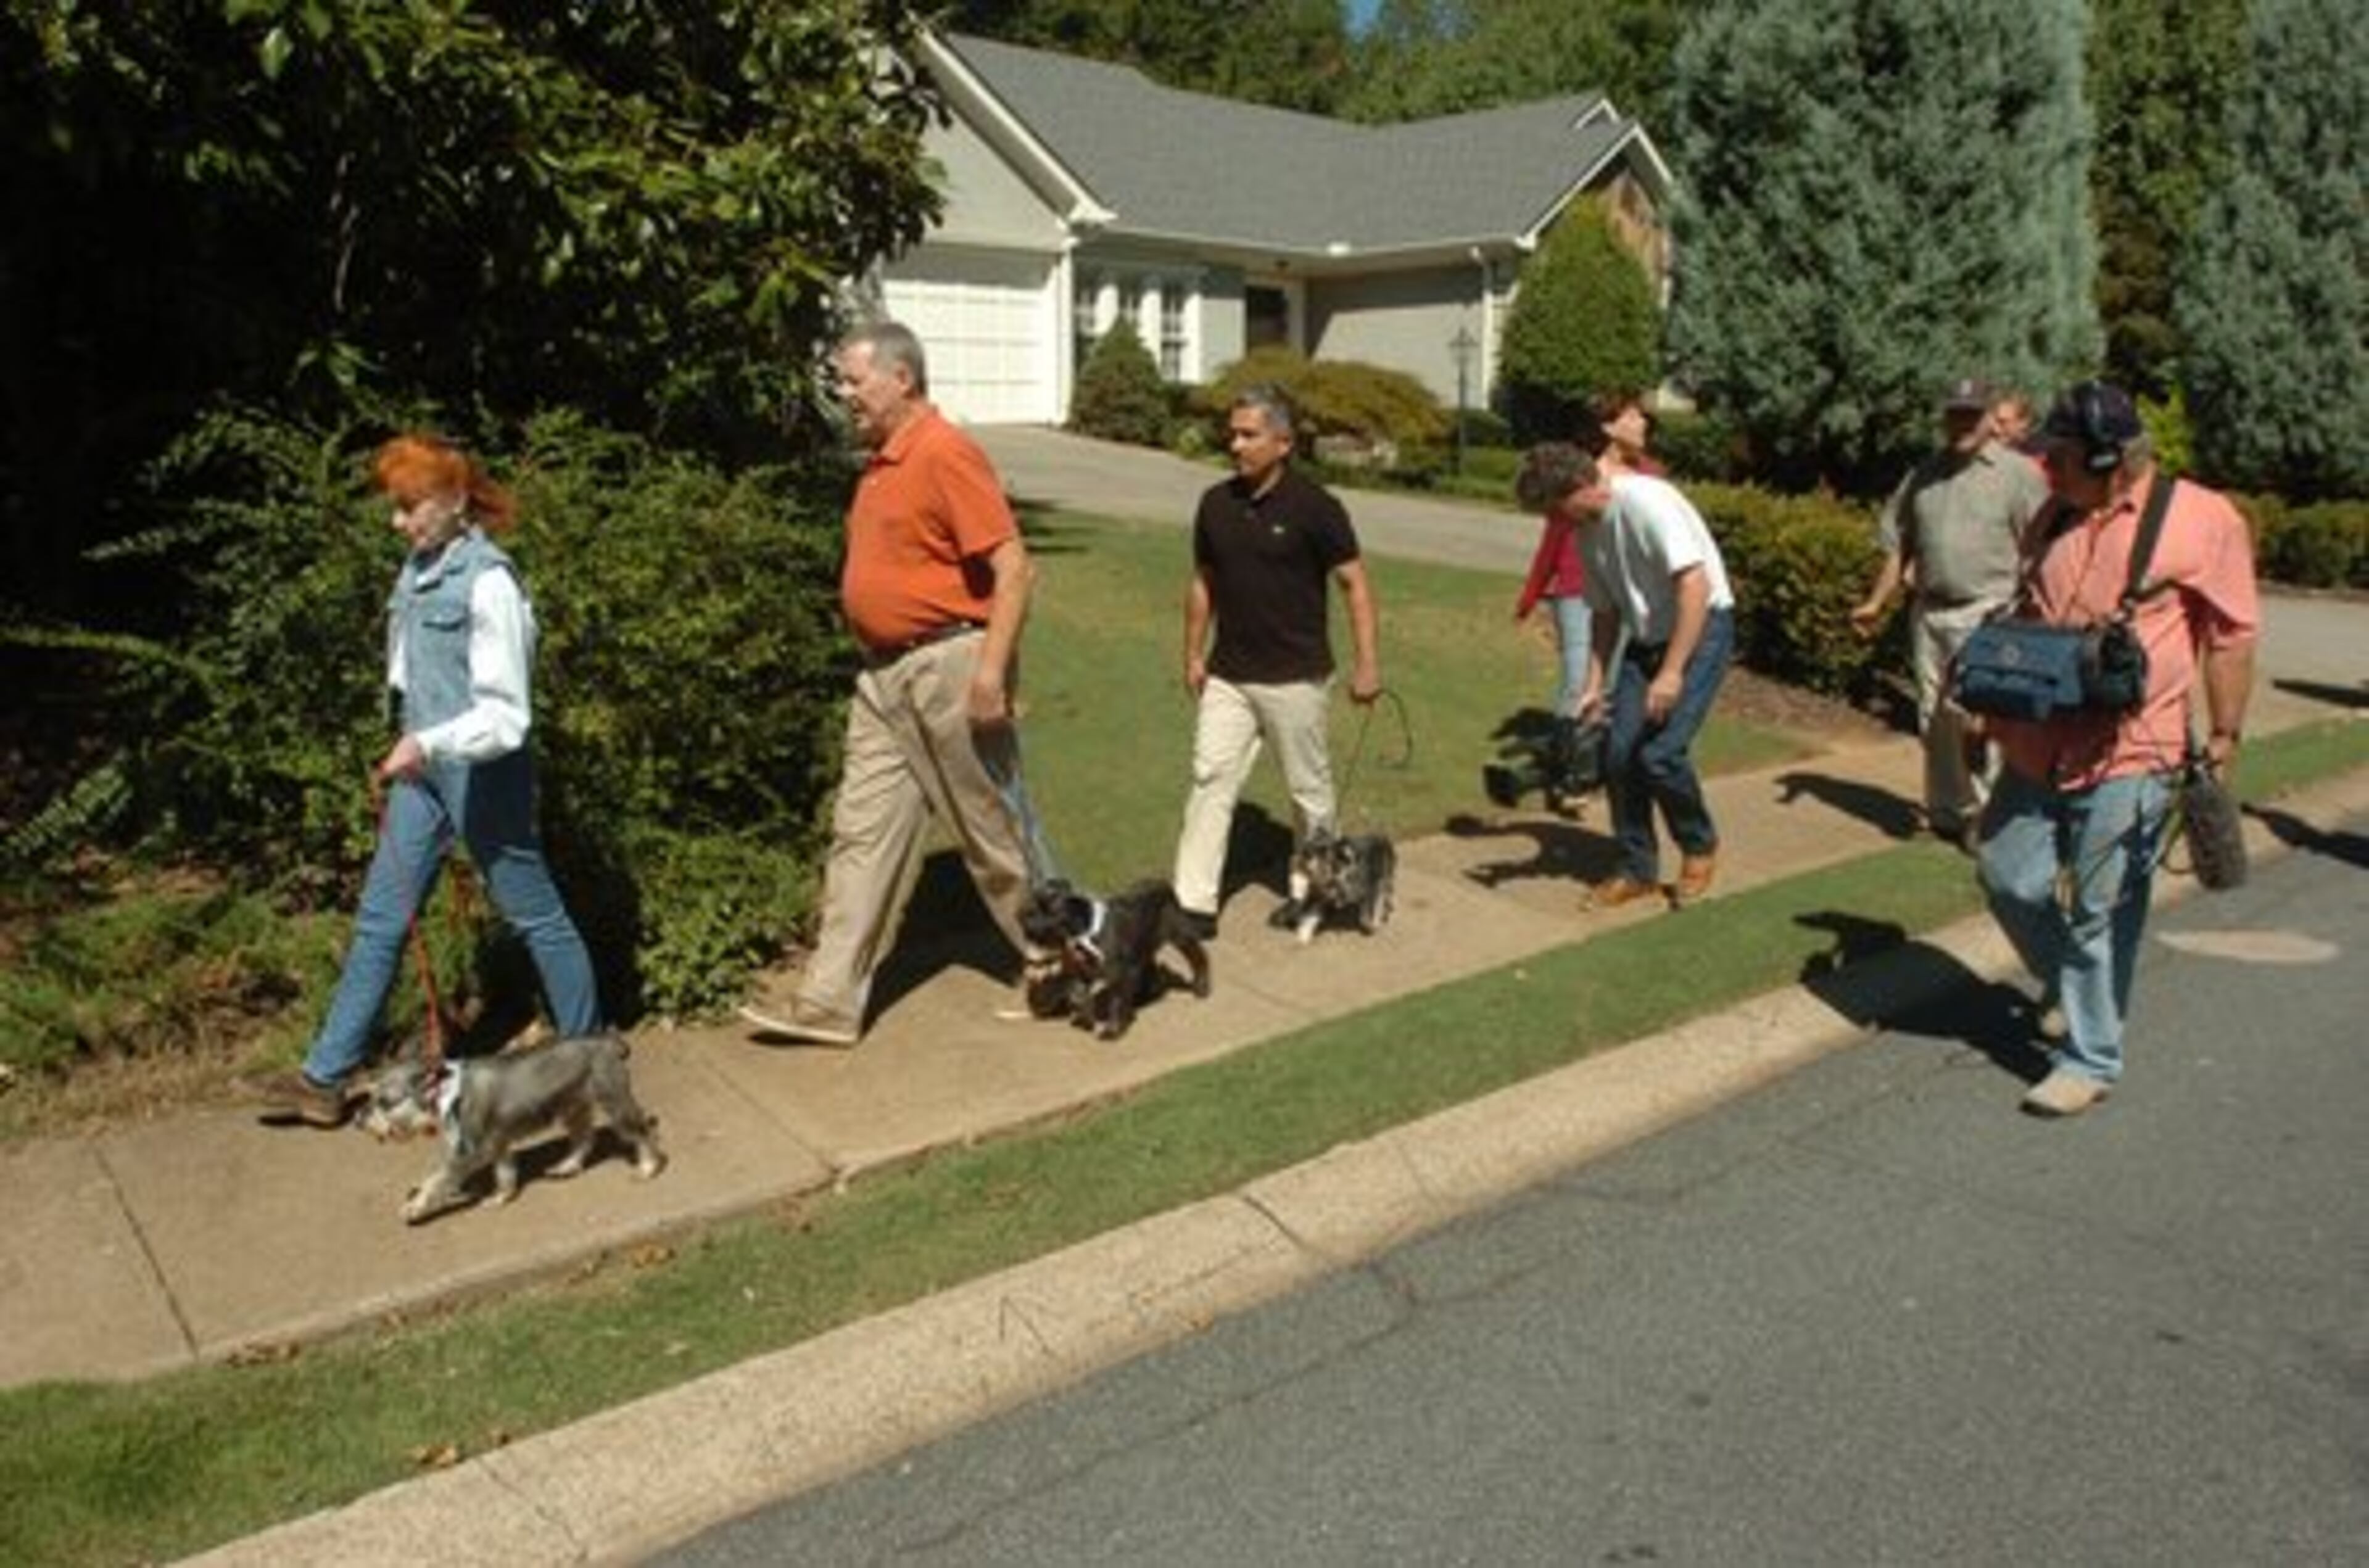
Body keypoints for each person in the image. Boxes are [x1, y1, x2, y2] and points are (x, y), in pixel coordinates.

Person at [242, 434, 602, 1126]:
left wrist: (426, 740)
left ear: (456, 500)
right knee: (382, 919)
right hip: (426, 773)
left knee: (535, 916)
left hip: (484, 776)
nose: (397, 522)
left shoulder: (491, 583)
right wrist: (414, 734)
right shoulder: (419, 569)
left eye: (409, 507)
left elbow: (508, 717)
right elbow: (411, 667)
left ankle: (590, 1057)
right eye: (395, 507)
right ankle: (324, 1080)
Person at [738, 320, 1054, 1046]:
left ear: (902, 379)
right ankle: (829, 1002)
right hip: (882, 679)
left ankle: (1064, 960)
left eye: (854, 380)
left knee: (993, 834)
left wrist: (991, 673)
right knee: (862, 834)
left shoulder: (945, 452)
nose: (843, 393)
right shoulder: (881, 460)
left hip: (949, 665)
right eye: (842, 381)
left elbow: (1014, 568)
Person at [1971, 380, 2258, 1118]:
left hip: (2137, 748)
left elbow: (2230, 636)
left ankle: (2090, 1057)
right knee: (2006, 874)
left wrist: (2224, 733)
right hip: (2040, 740)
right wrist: (1993, 706)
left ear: (2112, 461)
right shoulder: (2053, 513)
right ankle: (2071, 984)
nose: (2047, 471)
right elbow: (2028, 615)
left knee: (2102, 910)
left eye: (2061, 459)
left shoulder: (2201, 520)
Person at [1172, 384, 1381, 936]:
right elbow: (1203, 583)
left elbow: (1354, 585)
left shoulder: (1318, 508)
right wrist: (1193, 653)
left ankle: (1314, 893)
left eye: (1249, 434)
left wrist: (1367, 664)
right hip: (1229, 676)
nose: (1235, 443)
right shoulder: (1215, 505)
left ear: (1283, 442)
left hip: (1296, 677)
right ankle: (1193, 905)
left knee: (1308, 792)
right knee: (1210, 778)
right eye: (1233, 432)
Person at [1517, 443, 1735, 912]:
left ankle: (1699, 845)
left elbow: (1694, 587)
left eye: (1556, 509)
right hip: (1647, 638)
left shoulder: (1645, 504)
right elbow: (1605, 614)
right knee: (1618, 755)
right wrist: (1594, 684)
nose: (1554, 522)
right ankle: (1637, 869)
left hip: (1703, 627)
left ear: (1580, 489)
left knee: (1660, 755)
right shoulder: (1585, 532)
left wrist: (1674, 672)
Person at [1848, 377, 2051, 846]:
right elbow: (1899, 547)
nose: (1961, 423)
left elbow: (2040, 547)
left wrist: (2035, 615)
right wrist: (1877, 602)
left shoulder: (2017, 475)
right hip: (1930, 614)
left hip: (1990, 613)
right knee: (1933, 716)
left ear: (1988, 419)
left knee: (1976, 719)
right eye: (1954, 414)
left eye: (1971, 415)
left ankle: (1988, 815)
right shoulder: (1923, 475)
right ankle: (1947, 809)